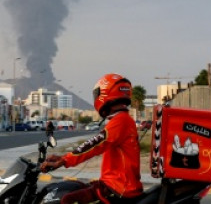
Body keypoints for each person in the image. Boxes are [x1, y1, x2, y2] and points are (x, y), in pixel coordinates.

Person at [41, 73, 143, 204]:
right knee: (74, 188)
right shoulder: (121, 120)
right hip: (116, 184)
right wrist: (63, 157)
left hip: (120, 188)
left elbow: (95, 144)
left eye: (97, 94)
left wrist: (65, 160)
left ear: (106, 93)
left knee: (66, 199)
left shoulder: (121, 121)